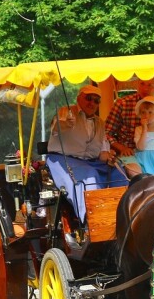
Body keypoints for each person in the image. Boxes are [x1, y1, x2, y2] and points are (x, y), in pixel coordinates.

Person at [46, 85, 129, 226]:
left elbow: (101, 152)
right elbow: (56, 127)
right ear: (79, 98)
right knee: (89, 176)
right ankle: (92, 221)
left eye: (96, 101)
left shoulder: (100, 123)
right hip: (63, 159)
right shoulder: (66, 111)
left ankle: (122, 216)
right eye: (88, 98)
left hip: (91, 161)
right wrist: (65, 123)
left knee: (119, 174)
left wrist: (108, 157)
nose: (92, 103)